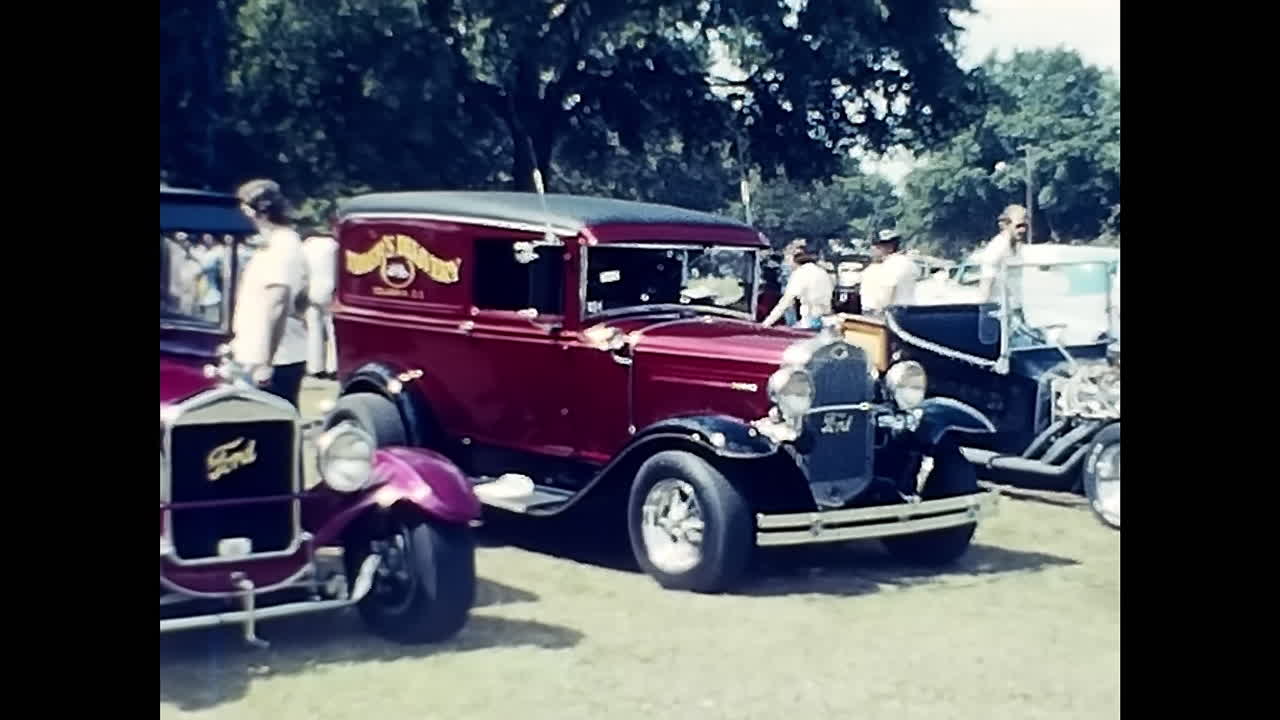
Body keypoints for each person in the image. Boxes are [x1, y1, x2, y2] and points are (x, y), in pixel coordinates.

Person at [231, 179, 309, 409]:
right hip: (257, 355)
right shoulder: (272, 244)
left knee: (268, 432)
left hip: (275, 359)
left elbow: (278, 302)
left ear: (256, 210)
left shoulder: (283, 244)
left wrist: (266, 361)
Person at [761, 244, 833, 329]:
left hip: (810, 318)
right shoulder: (823, 272)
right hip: (826, 318)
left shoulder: (800, 273)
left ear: (795, 261)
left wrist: (767, 322)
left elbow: (787, 300)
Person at [302, 231, 339, 380]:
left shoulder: (306, 246)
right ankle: (333, 366)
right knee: (332, 331)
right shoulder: (334, 246)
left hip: (312, 289)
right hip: (330, 289)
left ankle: (315, 366)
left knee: (313, 329)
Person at [977, 204, 1030, 306]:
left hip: (1013, 309)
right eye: (1018, 226)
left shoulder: (1018, 247)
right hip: (997, 310)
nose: (1023, 230)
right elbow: (986, 283)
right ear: (1007, 225)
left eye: (1025, 226)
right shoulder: (997, 248)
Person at [859, 229, 917, 316]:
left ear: (890, 248)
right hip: (906, 314)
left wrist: (875, 312)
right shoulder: (908, 263)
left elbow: (885, 294)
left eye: (877, 247)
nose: (872, 251)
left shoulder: (891, 265)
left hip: (889, 316)